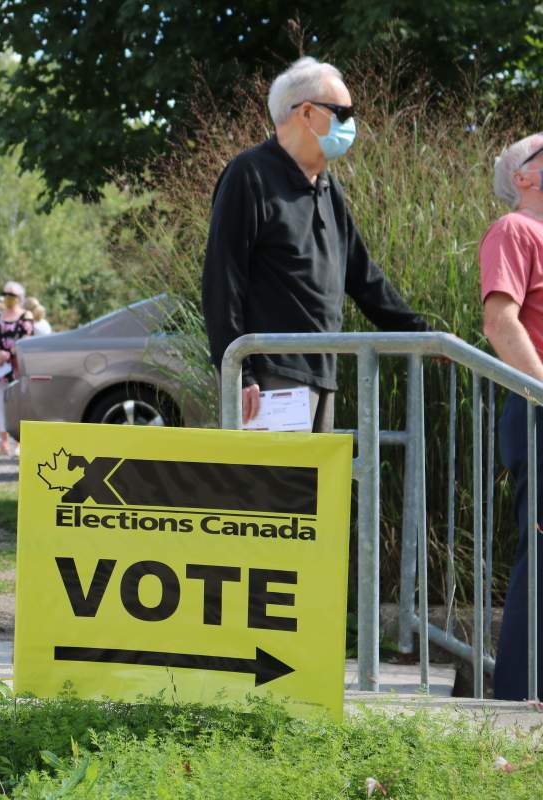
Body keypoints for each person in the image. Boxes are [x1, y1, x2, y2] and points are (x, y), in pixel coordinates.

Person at [202, 57, 429, 432]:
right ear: (306, 113)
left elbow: (362, 275)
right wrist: (239, 373)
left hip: (323, 373)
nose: (351, 124)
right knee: (276, 489)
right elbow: (222, 282)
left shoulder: (327, 186)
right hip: (270, 378)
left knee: (311, 490)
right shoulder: (249, 175)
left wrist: (423, 334)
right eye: (343, 112)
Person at [480, 133, 543, 700]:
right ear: (523, 176)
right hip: (538, 409)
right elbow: (501, 322)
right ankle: (521, 696)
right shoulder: (515, 229)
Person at [0, 281, 33, 455]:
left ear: (20, 298)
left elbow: (27, 338)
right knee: (0, 405)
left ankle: (20, 442)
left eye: (12, 295)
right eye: (6, 294)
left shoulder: (26, 316)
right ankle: (4, 442)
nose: (8, 298)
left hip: (17, 368)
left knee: (19, 405)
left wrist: (9, 353)